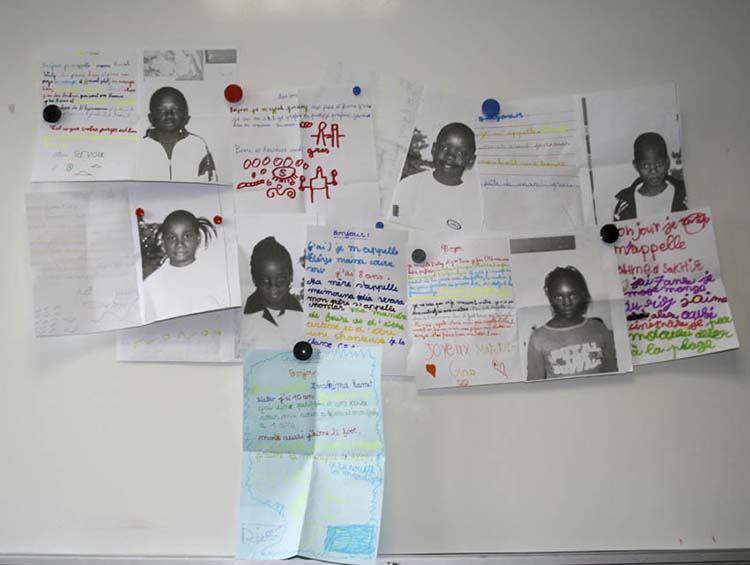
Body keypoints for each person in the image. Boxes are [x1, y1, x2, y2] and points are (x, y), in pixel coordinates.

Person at [526, 266, 618, 380]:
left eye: (573, 296)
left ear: (582, 294)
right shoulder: (538, 338)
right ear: (549, 296)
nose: (567, 303)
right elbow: (535, 383)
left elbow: (613, 373)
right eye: (558, 297)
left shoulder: (598, 328)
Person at [392, 122, 482, 231]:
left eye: (460, 153)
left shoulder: (477, 198)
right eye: (444, 148)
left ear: (471, 160)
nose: (450, 156)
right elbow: (395, 223)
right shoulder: (409, 185)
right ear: (434, 149)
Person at [143, 210, 227, 321]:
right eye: (172, 238)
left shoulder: (217, 277)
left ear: (198, 238)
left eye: (187, 236)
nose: (180, 244)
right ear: (163, 242)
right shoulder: (151, 285)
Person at [139, 86, 217, 182]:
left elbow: (210, 183)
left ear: (185, 116)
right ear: (151, 117)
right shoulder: (141, 147)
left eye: (175, 109)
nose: (169, 114)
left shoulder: (198, 145)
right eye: (161, 110)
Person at [242, 236, 305, 349]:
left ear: (290, 277)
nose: (273, 287)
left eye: (280, 280)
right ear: (255, 280)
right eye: (265, 281)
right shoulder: (243, 316)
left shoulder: (301, 313)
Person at [612, 132, 687, 221]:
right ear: (636, 166)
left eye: (659, 164)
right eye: (646, 166)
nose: (653, 171)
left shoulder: (684, 195)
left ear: (667, 163)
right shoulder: (625, 204)